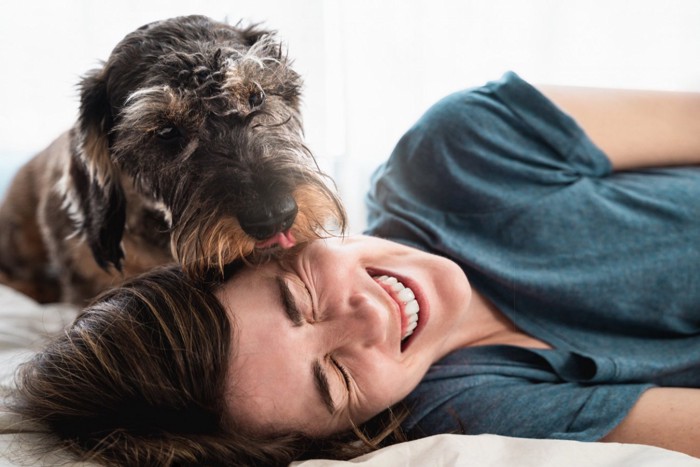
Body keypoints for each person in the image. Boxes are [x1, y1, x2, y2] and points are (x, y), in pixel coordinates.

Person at [8, 72, 700, 465]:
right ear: (346, 430)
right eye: (336, 376)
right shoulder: (472, 409)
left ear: (274, 243)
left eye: (301, 294)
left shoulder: (461, 150)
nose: (366, 317)